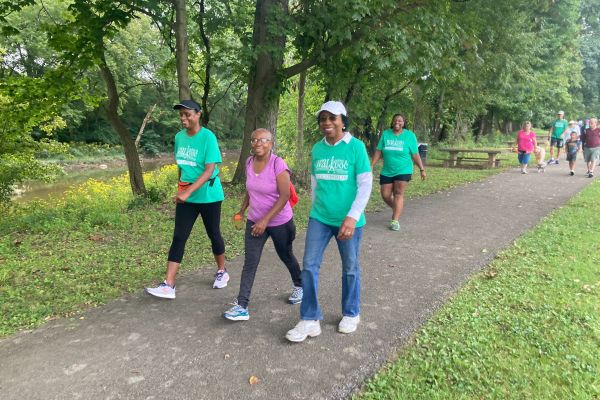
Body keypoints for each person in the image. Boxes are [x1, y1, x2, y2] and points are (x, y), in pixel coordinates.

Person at [286, 101, 372, 342]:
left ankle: (351, 313)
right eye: (323, 118)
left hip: (349, 220)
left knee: (350, 267)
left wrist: (352, 217)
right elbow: (315, 183)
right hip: (320, 217)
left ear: (343, 121)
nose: (327, 123)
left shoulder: (356, 148)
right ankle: (310, 319)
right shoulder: (317, 149)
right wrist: (316, 208)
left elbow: (365, 185)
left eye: (332, 118)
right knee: (309, 266)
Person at [146, 99, 228, 299]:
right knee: (179, 236)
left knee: (213, 233)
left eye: (187, 114)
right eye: (181, 115)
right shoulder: (179, 138)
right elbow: (181, 167)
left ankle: (222, 271)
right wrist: (181, 188)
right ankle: (169, 284)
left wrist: (188, 191)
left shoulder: (208, 137)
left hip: (209, 195)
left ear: (198, 114)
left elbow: (210, 170)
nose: (183, 118)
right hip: (187, 196)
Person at [223, 128, 303, 321]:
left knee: (286, 255)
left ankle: (301, 286)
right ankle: (242, 305)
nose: (258, 143)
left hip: (279, 222)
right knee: (250, 262)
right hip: (255, 220)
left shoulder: (278, 164)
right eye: (254, 140)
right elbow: (250, 190)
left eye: (263, 140)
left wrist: (265, 221)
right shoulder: (249, 162)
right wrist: (242, 211)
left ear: (270, 143)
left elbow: (284, 196)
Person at [370, 113, 426, 231]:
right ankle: (397, 208)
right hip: (387, 170)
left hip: (403, 169)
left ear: (404, 123)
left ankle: (395, 220)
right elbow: (379, 151)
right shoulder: (386, 134)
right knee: (385, 195)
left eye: (400, 121)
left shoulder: (409, 136)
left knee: (398, 193)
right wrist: (371, 166)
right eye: (395, 120)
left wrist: (422, 169)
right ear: (392, 122)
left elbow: (415, 154)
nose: (397, 122)